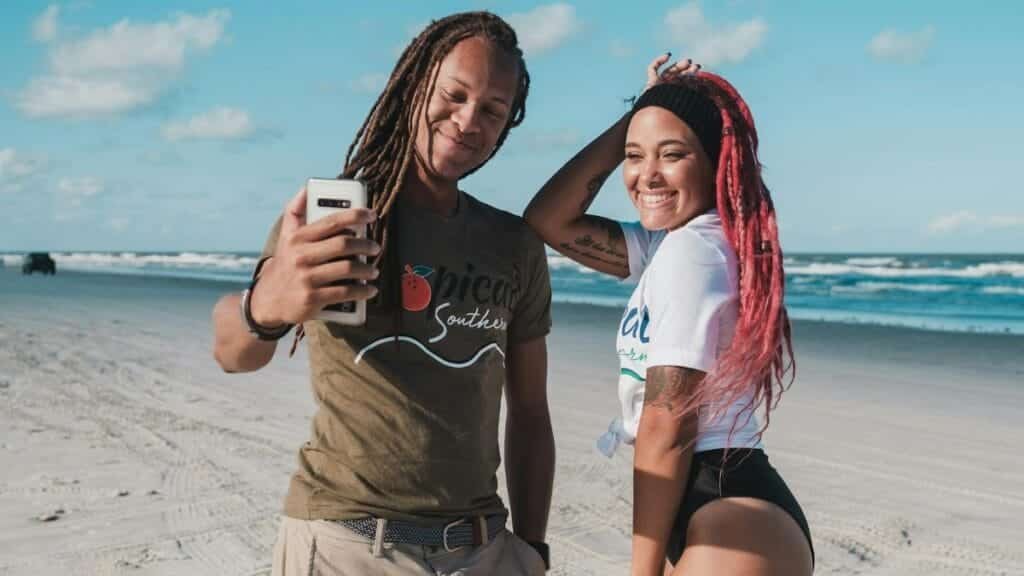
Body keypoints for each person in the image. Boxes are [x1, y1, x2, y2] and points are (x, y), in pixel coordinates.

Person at [212, 12, 554, 575]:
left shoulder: (512, 244)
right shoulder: (341, 219)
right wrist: (268, 305)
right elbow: (232, 353)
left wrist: (533, 547)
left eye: (492, 110)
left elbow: (531, 410)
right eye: (455, 94)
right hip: (348, 542)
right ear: (416, 85)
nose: (469, 119)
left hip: (482, 548)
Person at [524, 55, 813, 575]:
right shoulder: (671, 242)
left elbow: (668, 426)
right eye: (635, 157)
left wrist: (643, 572)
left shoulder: (692, 253)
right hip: (722, 502)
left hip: (729, 508)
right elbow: (549, 219)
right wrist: (643, 113)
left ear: (714, 161)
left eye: (672, 154)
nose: (646, 175)